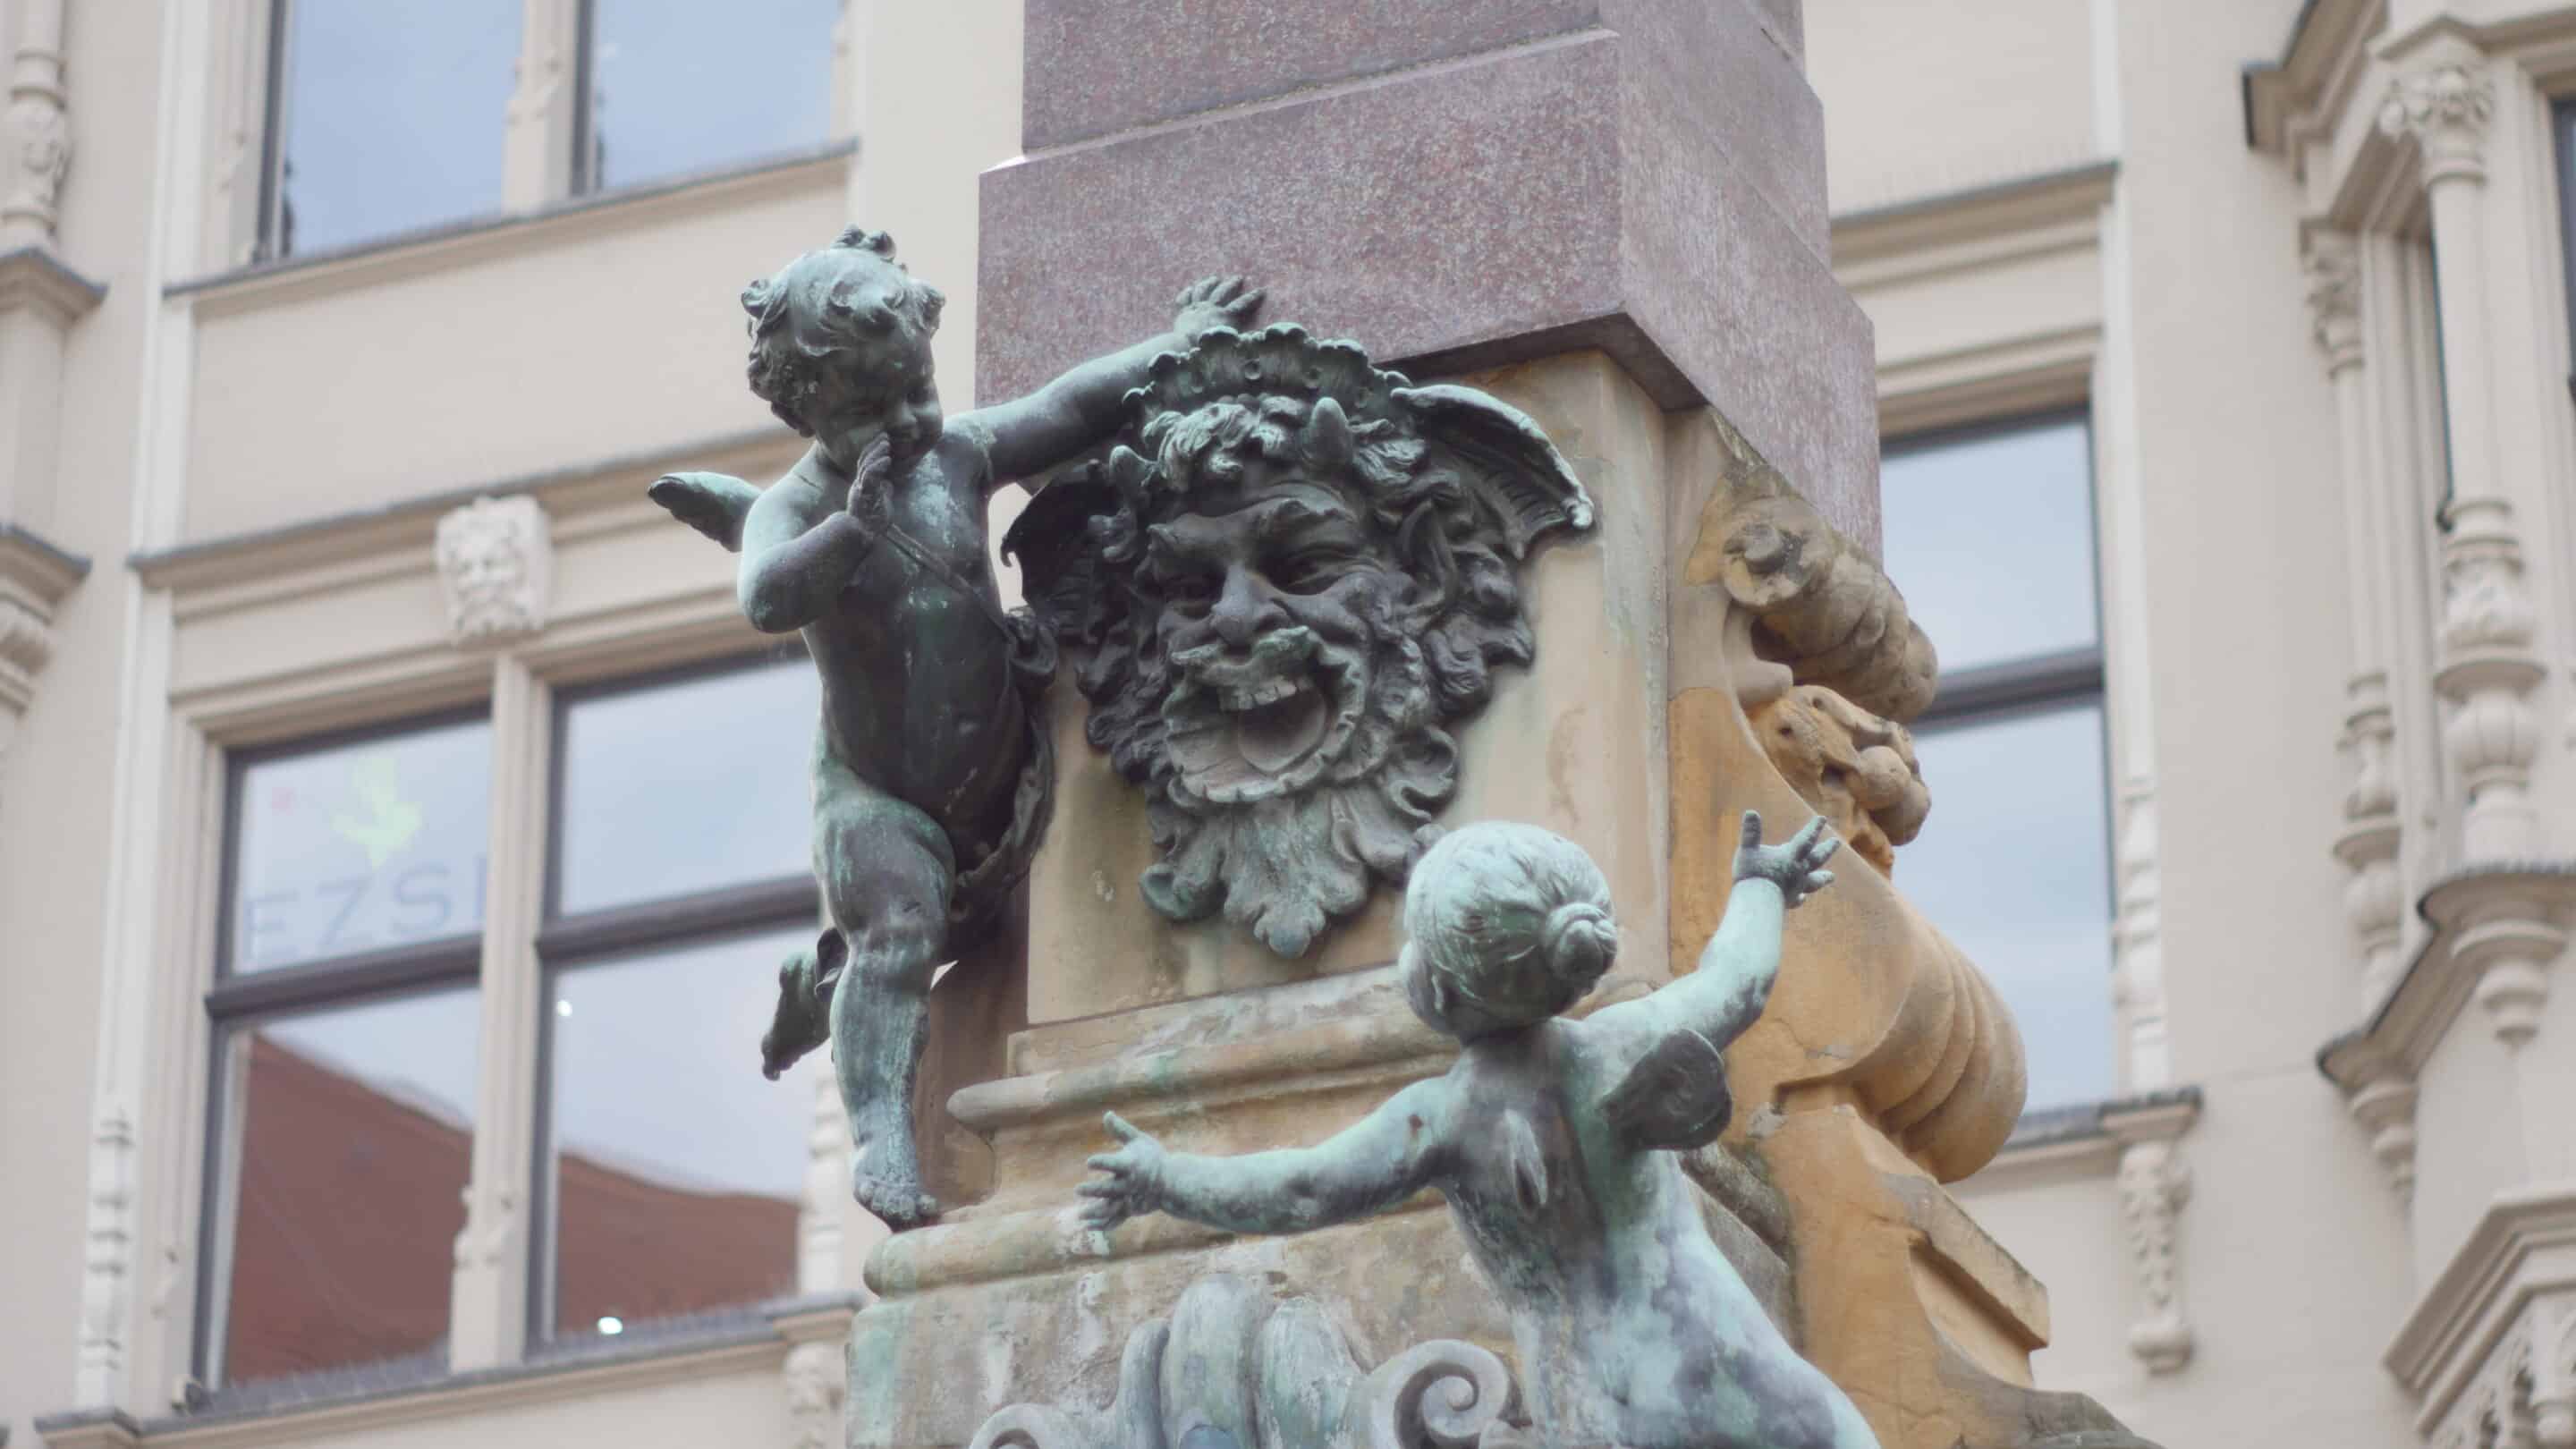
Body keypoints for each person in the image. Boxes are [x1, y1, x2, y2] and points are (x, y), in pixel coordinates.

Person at [650, 226, 1259, 1228]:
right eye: (878, 408)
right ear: (812, 410)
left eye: (918, 390)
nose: (911, 417)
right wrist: (854, 526)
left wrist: (1181, 343)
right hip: (878, 795)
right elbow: (765, 597)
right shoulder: (796, 507)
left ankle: (818, 980)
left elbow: (1070, 406)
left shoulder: (955, 456)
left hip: (1007, 766)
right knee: (899, 935)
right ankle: (885, 1139)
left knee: (913, 935)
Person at [1079, 811, 1880, 1449]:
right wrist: (1762, 886)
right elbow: (1737, 981)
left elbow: (1302, 1187)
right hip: (1715, 1343)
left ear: (1447, 992)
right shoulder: (1628, 1038)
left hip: (1601, 1393)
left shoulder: (1446, 1117)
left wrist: (1163, 1177)